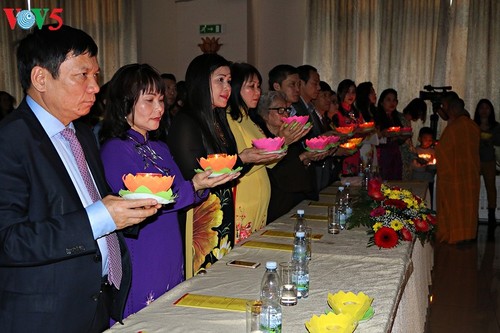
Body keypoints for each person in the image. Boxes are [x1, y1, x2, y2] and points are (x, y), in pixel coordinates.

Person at [0, 25, 161, 332]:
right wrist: (100, 217)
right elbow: (9, 240)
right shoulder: (10, 140)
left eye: (96, 75)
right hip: (42, 315)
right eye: (82, 75)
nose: (95, 87)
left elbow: (90, 201)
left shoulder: (81, 133)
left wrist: (127, 211)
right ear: (41, 79)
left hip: (94, 304)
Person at [99, 64, 235, 318]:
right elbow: (143, 203)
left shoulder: (159, 146)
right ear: (125, 103)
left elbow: (179, 192)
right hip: (144, 249)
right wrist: (193, 186)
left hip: (170, 245)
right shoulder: (115, 149)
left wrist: (201, 185)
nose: (159, 108)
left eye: (160, 100)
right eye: (149, 100)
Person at [167, 54, 268, 271]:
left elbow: (232, 170)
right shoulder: (186, 121)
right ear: (202, 82)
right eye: (219, 80)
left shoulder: (218, 119)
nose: (227, 87)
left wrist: (247, 158)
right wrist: (243, 158)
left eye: (229, 81)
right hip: (200, 213)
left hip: (224, 208)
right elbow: (192, 174)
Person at [226, 62, 284, 239]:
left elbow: (271, 164)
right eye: (251, 86)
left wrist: (284, 141)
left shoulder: (251, 120)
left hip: (259, 199)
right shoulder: (230, 119)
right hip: (244, 198)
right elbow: (240, 165)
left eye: (258, 86)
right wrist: (282, 142)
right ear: (236, 88)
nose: (258, 92)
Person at [253, 91, 318, 222]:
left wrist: (307, 159)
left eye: (287, 109)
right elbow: (274, 172)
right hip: (276, 203)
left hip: (296, 200)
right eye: (280, 110)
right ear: (264, 114)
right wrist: (302, 157)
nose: (286, 114)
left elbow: (298, 165)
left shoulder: (289, 135)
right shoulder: (261, 138)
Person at [435, 92, 480, 244]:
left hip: (453, 177)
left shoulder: (453, 129)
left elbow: (442, 151)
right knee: (469, 206)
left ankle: (454, 235)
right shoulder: (473, 126)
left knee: (455, 206)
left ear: (453, 110)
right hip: (471, 174)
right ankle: (469, 235)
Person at [473, 99, 500, 239]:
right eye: (482, 108)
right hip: (475, 160)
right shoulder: (473, 125)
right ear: (478, 110)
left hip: (489, 160)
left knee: (491, 188)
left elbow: (498, 141)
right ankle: (473, 215)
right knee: (473, 188)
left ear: (491, 110)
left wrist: (490, 140)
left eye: (487, 108)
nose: (484, 110)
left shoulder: (495, 126)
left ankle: (491, 215)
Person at [332, 79, 364, 176]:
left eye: (353, 92)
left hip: (356, 150)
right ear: (341, 93)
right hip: (343, 152)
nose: (351, 95)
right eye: (347, 92)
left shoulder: (357, 112)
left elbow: (362, 130)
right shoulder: (336, 111)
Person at [374, 88, 405, 180]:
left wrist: (402, 137)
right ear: (381, 102)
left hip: (395, 152)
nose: (392, 103)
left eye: (394, 100)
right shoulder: (377, 116)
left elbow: (400, 139)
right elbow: (376, 138)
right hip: (383, 154)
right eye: (388, 100)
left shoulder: (396, 117)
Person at [355, 81, 379, 169]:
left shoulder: (373, 112)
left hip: (372, 148)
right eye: (372, 92)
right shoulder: (358, 113)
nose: (375, 94)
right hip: (363, 148)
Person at [411, 127, 436, 207]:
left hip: (429, 180)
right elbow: (414, 165)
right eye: (425, 139)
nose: (427, 142)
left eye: (430, 140)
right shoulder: (415, 151)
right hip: (417, 180)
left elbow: (435, 165)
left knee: (428, 199)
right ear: (419, 138)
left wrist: (432, 167)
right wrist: (423, 166)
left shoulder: (433, 152)